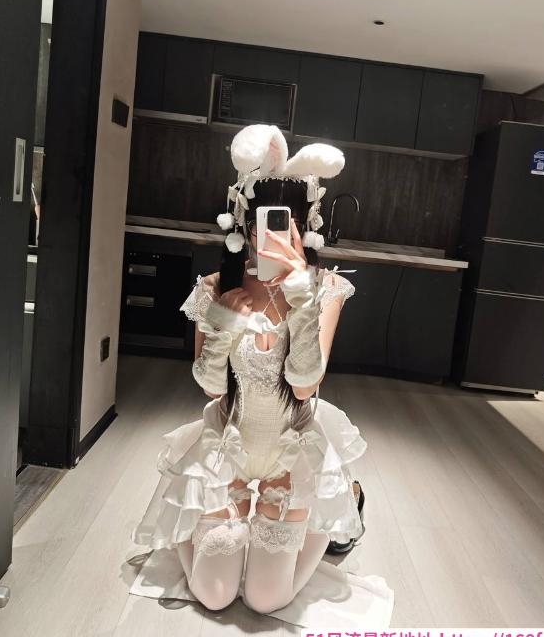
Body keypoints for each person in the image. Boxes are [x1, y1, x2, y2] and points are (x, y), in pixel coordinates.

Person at [131, 124, 367, 615]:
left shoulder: (324, 289)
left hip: (292, 452)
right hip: (228, 448)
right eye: (262, 221)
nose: (271, 234)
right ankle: (210, 530)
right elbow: (209, 387)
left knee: (265, 599)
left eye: (287, 223)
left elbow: (304, 387)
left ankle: (334, 512)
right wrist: (221, 325)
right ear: (241, 222)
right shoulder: (216, 287)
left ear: (305, 226)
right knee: (215, 595)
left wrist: (301, 297)